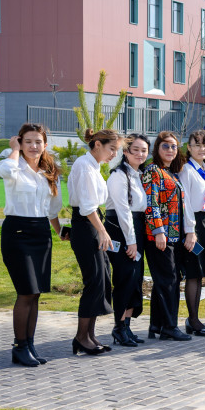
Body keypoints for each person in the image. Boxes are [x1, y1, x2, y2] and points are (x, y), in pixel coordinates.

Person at [0, 123, 65, 366]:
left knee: (36, 293)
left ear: (45, 145)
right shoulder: (13, 164)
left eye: (38, 142)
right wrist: (14, 149)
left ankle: (29, 344)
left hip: (41, 233)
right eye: (27, 141)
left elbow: (53, 208)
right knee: (26, 291)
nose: (33, 146)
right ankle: (19, 347)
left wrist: (59, 231)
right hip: (17, 232)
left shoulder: (49, 171)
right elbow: (6, 171)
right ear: (20, 142)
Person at [67, 128, 119, 355]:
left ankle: (89, 335)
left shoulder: (94, 166)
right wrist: (102, 231)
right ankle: (81, 337)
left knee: (102, 279)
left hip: (93, 223)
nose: (113, 155)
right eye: (111, 149)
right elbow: (87, 207)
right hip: (87, 225)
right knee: (94, 280)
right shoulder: (84, 166)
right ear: (97, 144)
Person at [143, 131, 194, 341]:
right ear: (157, 148)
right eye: (166, 146)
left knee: (166, 280)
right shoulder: (153, 170)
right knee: (169, 280)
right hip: (160, 236)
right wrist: (159, 232)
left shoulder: (171, 173)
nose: (171, 150)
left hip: (174, 235)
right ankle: (170, 326)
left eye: (174, 146)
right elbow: (151, 203)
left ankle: (157, 325)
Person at [105, 133, 150, 347]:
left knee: (135, 279)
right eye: (136, 150)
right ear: (125, 152)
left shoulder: (139, 175)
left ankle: (127, 326)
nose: (140, 154)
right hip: (120, 230)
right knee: (125, 277)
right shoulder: (119, 175)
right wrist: (131, 241)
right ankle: (119, 327)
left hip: (137, 228)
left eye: (144, 150)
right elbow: (123, 211)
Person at [179, 129, 205, 336]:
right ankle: (192, 320)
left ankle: (195, 319)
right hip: (193, 224)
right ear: (189, 147)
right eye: (197, 144)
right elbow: (185, 202)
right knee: (193, 273)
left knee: (200, 274)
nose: (202, 149)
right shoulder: (187, 169)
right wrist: (190, 231)